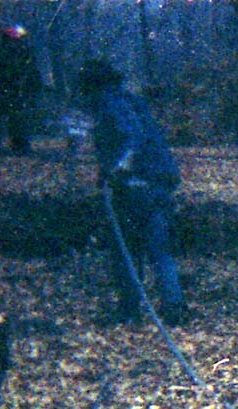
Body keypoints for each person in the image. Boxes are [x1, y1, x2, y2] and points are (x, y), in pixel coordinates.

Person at [77, 58, 185, 326]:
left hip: (137, 186)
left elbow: (132, 138)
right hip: (157, 183)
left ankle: (130, 309)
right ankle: (173, 307)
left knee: (127, 248)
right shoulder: (131, 101)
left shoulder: (109, 103)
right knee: (157, 248)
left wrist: (116, 170)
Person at [0, 24, 42, 156]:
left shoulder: (25, 52)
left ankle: (18, 147)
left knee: (17, 121)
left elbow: (32, 73)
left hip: (16, 92)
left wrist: (31, 89)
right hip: (2, 90)